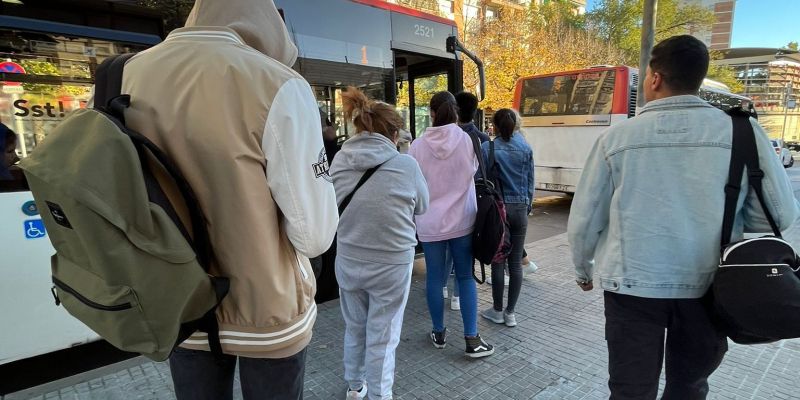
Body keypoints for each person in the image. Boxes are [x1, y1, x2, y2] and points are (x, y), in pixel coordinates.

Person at [119, 0, 339, 398]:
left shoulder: (125, 75)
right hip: (267, 313)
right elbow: (315, 236)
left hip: (177, 302)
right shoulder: (278, 83)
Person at [568, 35, 798, 400]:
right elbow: (779, 214)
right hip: (709, 287)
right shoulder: (743, 130)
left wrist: (584, 268)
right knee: (689, 386)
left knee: (630, 390)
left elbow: (585, 218)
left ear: (655, 78)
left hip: (631, 288)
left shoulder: (616, 138)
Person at [331, 87, 429, 400]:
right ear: (395, 132)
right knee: (383, 336)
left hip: (348, 256)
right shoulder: (406, 165)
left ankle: (355, 386)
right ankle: (380, 395)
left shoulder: (340, 161)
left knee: (355, 326)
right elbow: (423, 207)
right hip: (392, 263)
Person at [409, 91, 494, 358]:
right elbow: (474, 173)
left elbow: (414, 184)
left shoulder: (417, 146)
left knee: (435, 278)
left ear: (432, 113)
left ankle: (439, 332)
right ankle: (472, 338)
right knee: (466, 277)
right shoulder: (468, 141)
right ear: (455, 112)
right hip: (463, 220)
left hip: (430, 222)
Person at [478, 109, 534, 328]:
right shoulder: (525, 148)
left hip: (497, 211)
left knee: (498, 261)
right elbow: (531, 181)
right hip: (520, 208)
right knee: (516, 262)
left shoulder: (486, 148)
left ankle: (497, 310)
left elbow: (479, 179)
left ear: (495, 126)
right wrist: (527, 205)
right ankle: (511, 313)